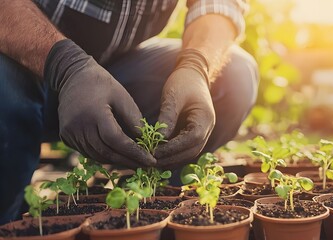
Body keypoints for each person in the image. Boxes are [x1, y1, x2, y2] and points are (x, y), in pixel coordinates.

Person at [0, 0, 258, 224]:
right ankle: (9, 221)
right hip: (16, 56)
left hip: (113, 73)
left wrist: (197, 65)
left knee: (234, 77)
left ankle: (157, 209)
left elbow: (220, 5)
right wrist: (66, 65)